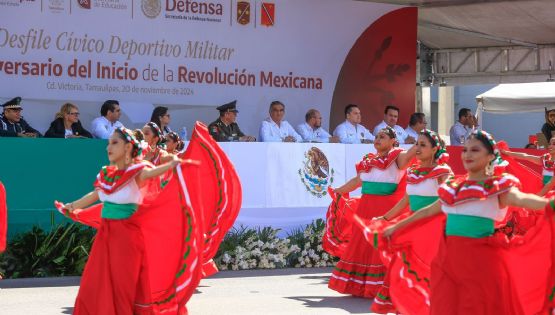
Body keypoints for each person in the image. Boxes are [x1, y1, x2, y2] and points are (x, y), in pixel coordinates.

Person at [383, 129, 550, 315]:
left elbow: (524, 200)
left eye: (475, 150)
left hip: (481, 265)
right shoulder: (454, 188)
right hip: (448, 264)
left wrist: (549, 203)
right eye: (465, 150)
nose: (468, 154)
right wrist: (396, 227)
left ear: (490, 156)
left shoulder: (496, 187)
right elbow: (428, 211)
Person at [56, 127, 203, 314]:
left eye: (115, 142)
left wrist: (172, 164)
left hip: (127, 237)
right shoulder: (106, 175)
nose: (109, 147)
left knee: (122, 286)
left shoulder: (137, 172)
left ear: (128, 148)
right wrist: (72, 205)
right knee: (94, 282)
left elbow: (152, 174)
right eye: (109, 143)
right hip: (105, 237)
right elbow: (95, 195)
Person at [327, 126, 416, 309]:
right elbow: (356, 181)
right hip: (365, 209)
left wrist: (424, 139)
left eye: (383, 137)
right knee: (362, 247)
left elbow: (412, 154)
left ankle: (384, 287)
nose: (378, 139)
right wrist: (339, 190)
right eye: (376, 136)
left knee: (380, 248)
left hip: (386, 211)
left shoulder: (398, 157)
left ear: (393, 141)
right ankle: (361, 286)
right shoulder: (368, 161)